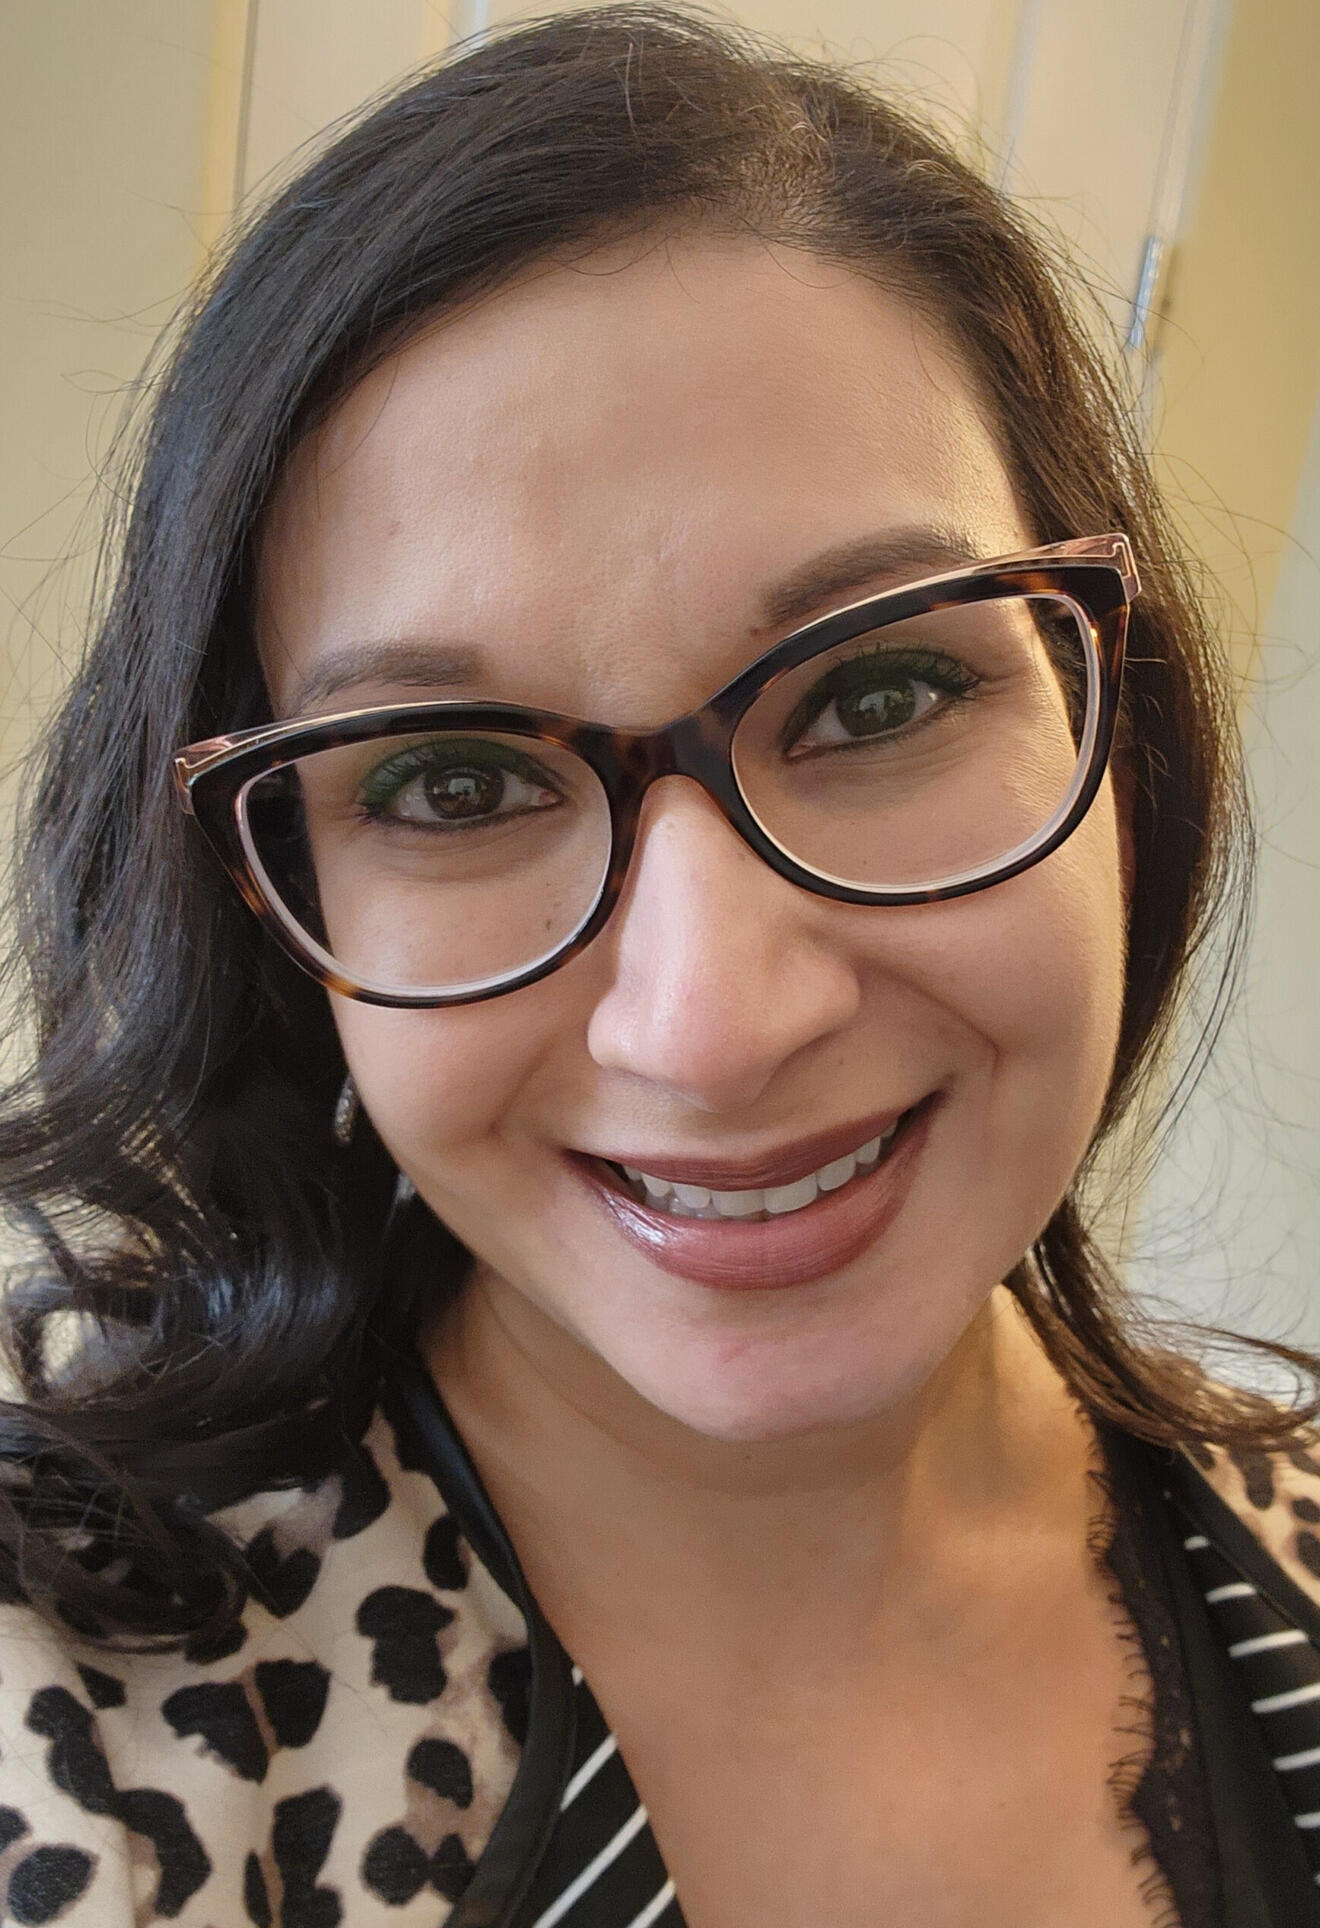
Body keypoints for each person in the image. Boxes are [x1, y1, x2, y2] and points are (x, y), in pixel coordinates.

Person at [0, 8, 1316, 1925]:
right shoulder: (73, 1721)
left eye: (880, 693)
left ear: (1119, 727)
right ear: (274, 909)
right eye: (455, 782)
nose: (712, 1027)